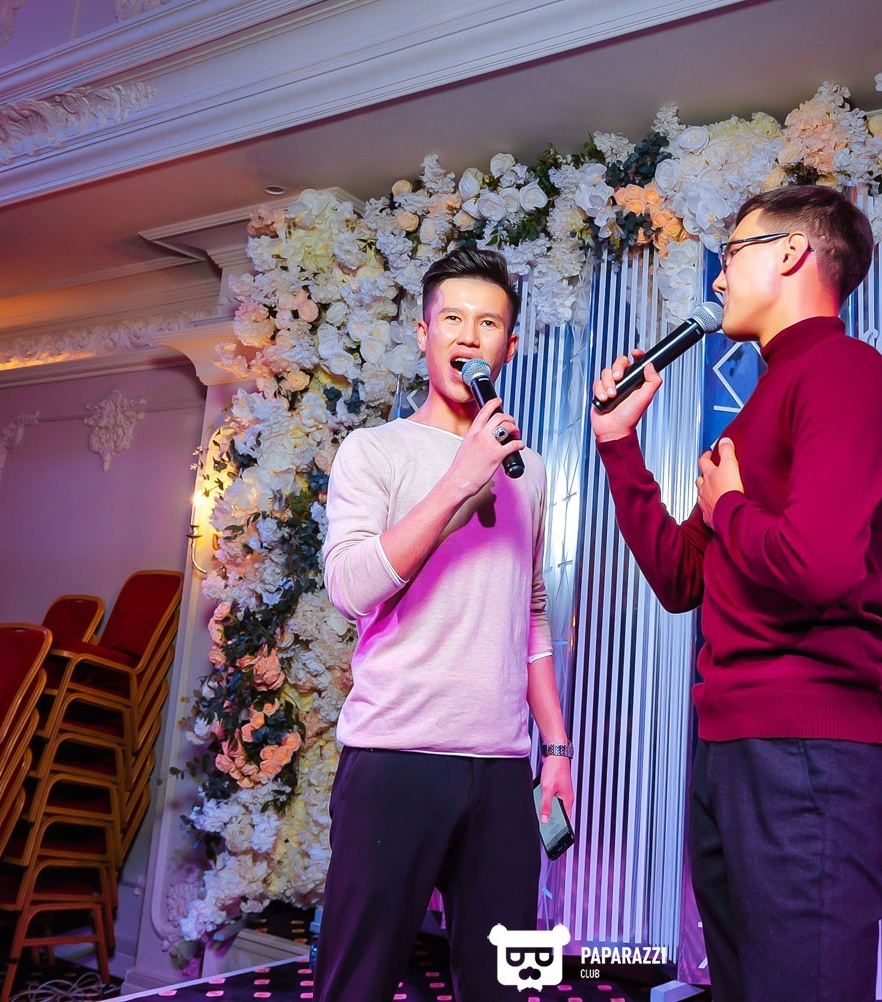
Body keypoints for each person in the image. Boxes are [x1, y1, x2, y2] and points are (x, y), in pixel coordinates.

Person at [590, 185, 882, 1002]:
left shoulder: (844, 370)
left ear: (793, 252)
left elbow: (819, 566)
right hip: (734, 746)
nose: (719, 277)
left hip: (810, 753)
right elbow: (680, 579)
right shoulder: (755, 408)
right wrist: (619, 448)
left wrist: (729, 506)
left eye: (732, 254)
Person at [314, 247, 574, 1001]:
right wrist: (458, 481)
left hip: (501, 764)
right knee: (356, 984)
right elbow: (350, 588)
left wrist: (555, 747)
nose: (469, 335)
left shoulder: (531, 471)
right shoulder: (376, 451)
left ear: (509, 346)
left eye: (488, 323)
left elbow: (529, 613)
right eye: (452, 319)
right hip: (396, 755)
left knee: (505, 985)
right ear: (424, 335)